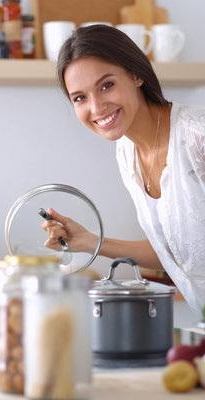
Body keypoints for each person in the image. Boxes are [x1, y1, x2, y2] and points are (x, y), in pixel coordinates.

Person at [42, 24, 205, 317]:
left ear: (136, 74)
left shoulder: (198, 136)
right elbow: (178, 254)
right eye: (80, 97)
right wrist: (90, 242)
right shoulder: (127, 153)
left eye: (106, 85)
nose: (97, 107)